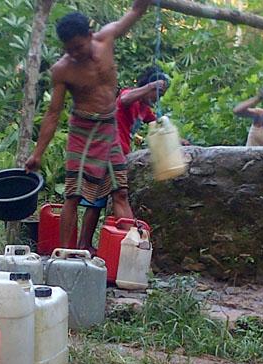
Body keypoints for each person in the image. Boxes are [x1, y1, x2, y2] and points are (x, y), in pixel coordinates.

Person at [24, 0, 154, 249]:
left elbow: (136, 11)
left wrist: (143, 3)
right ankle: (64, 255)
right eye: (69, 49)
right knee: (73, 194)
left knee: (120, 192)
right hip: (82, 132)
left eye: (79, 47)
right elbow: (53, 114)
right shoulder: (62, 70)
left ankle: (134, 251)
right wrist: (37, 154)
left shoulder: (107, 38)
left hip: (109, 127)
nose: (75, 53)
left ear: (90, 35)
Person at [77, 66, 170, 254]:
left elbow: (157, 125)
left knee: (97, 201)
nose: (157, 99)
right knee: (120, 195)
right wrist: (152, 85)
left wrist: (177, 140)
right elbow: (124, 99)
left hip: (113, 153)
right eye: (156, 94)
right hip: (108, 149)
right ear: (148, 87)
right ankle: (133, 243)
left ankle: (84, 245)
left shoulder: (145, 109)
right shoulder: (130, 95)